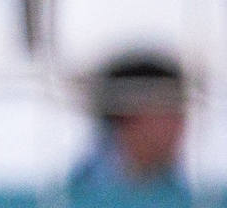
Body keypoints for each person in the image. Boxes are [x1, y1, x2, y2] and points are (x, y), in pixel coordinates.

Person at [69, 51, 188, 188]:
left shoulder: (192, 203)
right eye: (167, 110)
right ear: (126, 115)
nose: (179, 124)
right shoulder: (66, 201)